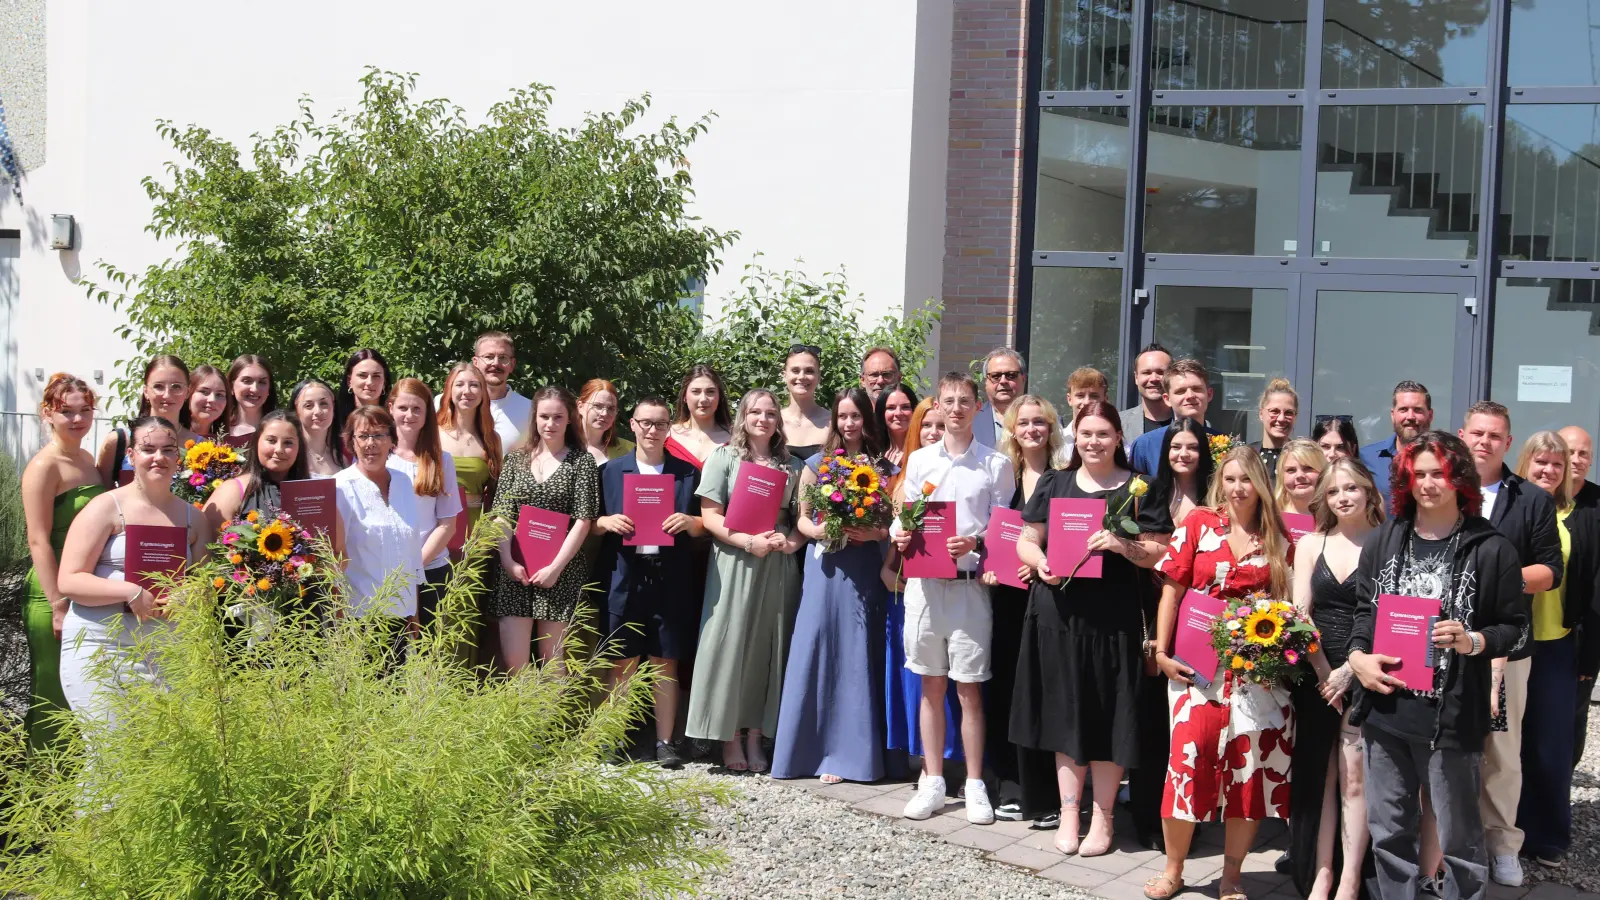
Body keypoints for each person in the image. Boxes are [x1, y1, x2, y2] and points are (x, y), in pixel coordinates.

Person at [1345, 431, 1526, 900]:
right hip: (1387, 711)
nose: (1427, 483)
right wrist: (1357, 657)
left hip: (1451, 718)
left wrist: (1474, 640)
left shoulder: (1491, 548)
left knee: (1460, 839)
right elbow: (1365, 610)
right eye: (1418, 474)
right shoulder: (1385, 539)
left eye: (1438, 473)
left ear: (1459, 478)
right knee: (1388, 833)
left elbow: (1516, 628)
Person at [1015, 400, 1169, 856]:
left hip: (1114, 621)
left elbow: (1159, 551)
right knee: (1065, 716)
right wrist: (1041, 563)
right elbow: (1027, 538)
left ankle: (1102, 819)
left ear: (1119, 437)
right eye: (1086, 434)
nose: (1094, 442)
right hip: (1059, 619)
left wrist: (1123, 546)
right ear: (1075, 437)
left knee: (1110, 717)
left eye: (1103, 434)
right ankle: (1068, 814)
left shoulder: (1143, 488)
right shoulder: (1055, 482)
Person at [1146, 445, 1294, 900]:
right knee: (1188, 760)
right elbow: (1172, 588)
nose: (1237, 488)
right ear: (1220, 482)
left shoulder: (1279, 535)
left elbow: (1290, 605)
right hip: (1197, 667)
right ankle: (1174, 870)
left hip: (1257, 674)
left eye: (1247, 479)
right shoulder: (1197, 525)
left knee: (1248, 772)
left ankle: (1233, 875)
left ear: (1261, 485)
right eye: (1230, 478)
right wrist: (1160, 651)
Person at [893, 372, 1015, 825]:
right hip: (925, 587)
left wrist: (976, 544)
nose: (958, 408)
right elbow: (904, 518)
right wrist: (900, 533)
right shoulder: (922, 460)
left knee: (970, 690)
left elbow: (1004, 530)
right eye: (949, 401)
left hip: (969, 589)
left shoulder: (996, 465)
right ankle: (932, 780)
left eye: (966, 400)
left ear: (978, 407)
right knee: (930, 684)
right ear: (938, 407)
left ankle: (975, 784)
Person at [1457, 402, 1562, 888]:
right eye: (1477, 433)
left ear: (1508, 443)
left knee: (1501, 748)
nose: (1484, 442)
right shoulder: (1439, 487)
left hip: (1506, 645)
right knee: (1440, 740)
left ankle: (1501, 844)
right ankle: (1440, 839)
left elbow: (1549, 571)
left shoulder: (1532, 500)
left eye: (1495, 436)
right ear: (1463, 434)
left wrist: (1496, 580)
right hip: (1441, 641)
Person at [773, 387, 891, 784]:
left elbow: (889, 524)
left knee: (859, 651)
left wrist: (873, 534)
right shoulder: (817, 464)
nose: (849, 423)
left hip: (863, 568)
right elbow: (801, 520)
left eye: (856, 416)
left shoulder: (880, 467)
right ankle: (812, 750)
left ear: (866, 420)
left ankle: (853, 755)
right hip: (825, 569)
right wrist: (821, 530)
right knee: (819, 648)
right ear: (834, 421)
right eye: (842, 416)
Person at [57, 416, 206, 729]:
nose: (158, 457)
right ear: (131, 455)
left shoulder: (194, 517)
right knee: (110, 754)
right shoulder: (105, 506)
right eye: (148, 449)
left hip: (166, 651)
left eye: (168, 450)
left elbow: (204, 585)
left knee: (159, 757)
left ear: (178, 458)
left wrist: (190, 595)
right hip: (101, 645)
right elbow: (69, 580)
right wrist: (130, 592)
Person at [685, 388, 805, 773]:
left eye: (771, 413)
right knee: (730, 644)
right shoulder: (724, 457)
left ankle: (756, 737)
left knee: (767, 649)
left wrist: (791, 542)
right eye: (755, 412)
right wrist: (747, 541)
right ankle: (728, 738)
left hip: (776, 565)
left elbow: (802, 519)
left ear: (778, 421)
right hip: (735, 560)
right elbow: (711, 515)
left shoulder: (793, 466)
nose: (763, 419)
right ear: (743, 416)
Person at [1287, 459, 1383, 900]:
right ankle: (1322, 871)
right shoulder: (1311, 543)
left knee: (1356, 776)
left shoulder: (1388, 543)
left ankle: (1349, 878)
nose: (1344, 497)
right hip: (1316, 675)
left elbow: (1391, 616)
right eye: (1334, 491)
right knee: (1319, 776)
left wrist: (1350, 672)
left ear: (1368, 491)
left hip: (1366, 673)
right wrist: (1326, 671)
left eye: (1352, 488)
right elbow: (1298, 616)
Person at [594, 396, 703, 769]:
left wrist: (691, 524)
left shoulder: (687, 473)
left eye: (659, 424)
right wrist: (605, 523)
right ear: (632, 425)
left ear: (669, 427)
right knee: (622, 661)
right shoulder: (611, 471)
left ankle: (665, 742)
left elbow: (706, 522)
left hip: (670, 577)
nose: (652, 430)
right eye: (645, 423)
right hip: (625, 575)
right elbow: (589, 521)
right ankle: (611, 740)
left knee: (664, 662)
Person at [1127, 416, 1214, 853]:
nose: (1183, 454)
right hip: (1155, 613)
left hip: (1203, 619)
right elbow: (1143, 554)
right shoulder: (1150, 493)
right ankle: (1146, 815)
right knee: (1153, 722)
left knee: (1195, 723)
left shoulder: (1219, 495)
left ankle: (1191, 819)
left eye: (1192, 447)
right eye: (1176, 447)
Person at [982, 393, 1067, 826]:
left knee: (1045, 690)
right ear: (1012, 430)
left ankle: (1048, 793)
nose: (1032, 429)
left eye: (1040, 422)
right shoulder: (1002, 477)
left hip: (1050, 595)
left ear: (1051, 429)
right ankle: (1010, 784)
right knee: (1005, 688)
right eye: (1024, 422)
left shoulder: (1065, 476)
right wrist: (989, 567)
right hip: (1006, 597)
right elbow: (986, 532)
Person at [1512, 431, 1593, 869]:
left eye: (1557, 465)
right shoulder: (1512, 505)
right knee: (1506, 743)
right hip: (1509, 642)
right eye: (1540, 462)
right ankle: (1507, 827)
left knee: (1550, 744)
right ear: (1525, 462)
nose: (1548, 471)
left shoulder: (1575, 515)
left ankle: (1547, 835)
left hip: (1556, 642)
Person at [880, 398, 966, 778]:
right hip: (908, 589)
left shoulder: (961, 472)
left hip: (955, 588)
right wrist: (891, 569)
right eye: (926, 425)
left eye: (940, 425)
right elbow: (894, 546)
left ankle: (952, 759)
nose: (933, 432)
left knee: (953, 682)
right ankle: (921, 760)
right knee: (919, 680)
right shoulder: (905, 479)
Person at [489, 386, 600, 674]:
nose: (550, 424)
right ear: (535, 418)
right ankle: (522, 719)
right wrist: (507, 561)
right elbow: (501, 514)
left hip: (560, 573)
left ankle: (550, 721)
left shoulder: (582, 462)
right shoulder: (515, 460)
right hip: (516, 570)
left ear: (569, 420)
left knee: (553, 660)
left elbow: (584, 520)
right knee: (515, 662)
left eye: (558, 417)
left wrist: (555, 568)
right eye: (544, 416)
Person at [21, 373, 104, 752]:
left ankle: (74, 794)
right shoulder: (44, 466)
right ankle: (41, 795)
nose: (77, 419)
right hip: (50, 592)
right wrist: (57, 604)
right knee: (51, 696)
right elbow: (38, 539)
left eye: (84, 410)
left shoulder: (87, 458)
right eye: (66, 411)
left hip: (81, 587)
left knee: (80, 693)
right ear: (47, 414)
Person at [334, 406, 422, 652]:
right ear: (352, 442)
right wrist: (339, 618)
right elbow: (334, 559)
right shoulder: (340, 486)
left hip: (401, 615)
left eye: (379, 435)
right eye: (363, 436)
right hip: (358, 616)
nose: (370, 443)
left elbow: (411, 551)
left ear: (392, 440)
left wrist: (413, 609)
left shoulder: (404, 482)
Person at [437, 361, 503, 667]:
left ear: (483, 393)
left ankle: (462, 682)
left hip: (474, 534)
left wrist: (485, 538)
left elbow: (496, 495)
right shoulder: (433, 433)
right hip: (437, 527)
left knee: (466, 611)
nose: (467, 391)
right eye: (460, 384)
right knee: (436, 607)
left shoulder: (491, 439)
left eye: (474, 385)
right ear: (449, 390)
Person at [389, 379, 462, 631]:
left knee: (427, 652)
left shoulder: (441, 460)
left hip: (430, 568)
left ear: (427, 414)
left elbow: (447, 523)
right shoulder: (378, 457)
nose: (409, 415)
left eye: (417, 409)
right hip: (386, 570)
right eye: (403, 408)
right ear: (390, 408)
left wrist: (415, 565)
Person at [202, 409, 311, 542]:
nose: (279, 450)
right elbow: (206, 547)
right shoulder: (233, 490)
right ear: (257, 442)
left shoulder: (313, 495)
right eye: (271, 440)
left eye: (288, 443)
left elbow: (336, 550)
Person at [1560, 425, 1600, 768]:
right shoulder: (1534, 498)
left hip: (1580, 635)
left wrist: (1591, 654)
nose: (1575, 459)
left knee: (1571, 717)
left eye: (1583, 453)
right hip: (1531, 633)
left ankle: (1560, 792)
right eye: (1568, 451)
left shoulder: (1598, 505)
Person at [98, 355, 189, 487]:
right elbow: (104, 493)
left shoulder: (199, 445)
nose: (167, 394)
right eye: (158, 386)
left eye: (176, 387)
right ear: (146, 391)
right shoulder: (120, 441)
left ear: (187, 392)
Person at [1128, 359, 1217, 477]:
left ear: (1209, 394)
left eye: (1196, 389)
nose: (1190, 396)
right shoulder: (1145, 446)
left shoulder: (1226, 444)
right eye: (1181, 391)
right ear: (1167, 399)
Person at [1358, 381, 1434, 497]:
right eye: (1403, 409)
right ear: (1393, 415)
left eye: (1417, 410)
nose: (1410, 417)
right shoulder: (1366, 458)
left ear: (1430, 415)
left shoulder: (1444, 458)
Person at [466, 331, 532, 451]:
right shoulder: (447, 404)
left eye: (503, 358)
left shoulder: (530, 410)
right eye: (489, 357)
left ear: (512, 365)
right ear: (475, 362)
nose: (496, 363)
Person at [666, 364, 732, 470]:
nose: (703, 399)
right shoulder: (666, 435)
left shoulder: (737, 438)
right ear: (684, 397)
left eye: (710, 392)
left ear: (719, 396)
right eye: (696, 392)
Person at [333, 349, 391, 454]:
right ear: (349, 381)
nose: (369, 382)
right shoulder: (333, 423)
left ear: (384, 382)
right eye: (362, 376)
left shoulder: (394, 422)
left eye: (376, 376)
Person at [780, 344, 830, 460]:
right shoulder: (772, 421)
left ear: (819, 377)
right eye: (795, 370)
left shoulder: (832, 423)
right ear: (784, 375)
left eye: (809, 371)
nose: (802, 376)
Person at [290, 379, 343, 478]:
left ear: (333, 407)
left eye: (324, 404)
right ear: (296, 411)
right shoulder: (289, 455)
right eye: (308, 405)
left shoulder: (343, 458)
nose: (318, 411)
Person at [976, 347, 1028, 447]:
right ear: (986, 381)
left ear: (1023, 379)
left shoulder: (1047, 420)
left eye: (1011, 375)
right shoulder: (970, 420)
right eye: (996, 376)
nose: (1003, 381)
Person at [1121, 343, 1173, 440]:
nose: (1153, 378)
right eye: (1146, 373)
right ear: (1136, 378)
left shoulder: (1194, 423)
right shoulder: (1118, 423)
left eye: (1161, 372)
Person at [577, 378, 634, 464]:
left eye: (611, 408)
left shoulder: (630, 450)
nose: (604, 413)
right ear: (580, 407)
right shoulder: (559, 446)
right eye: (597, 406)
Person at [1251, 379, 1299, 480]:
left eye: (1288, 412)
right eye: (1274, 411)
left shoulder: (1302, 458)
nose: (1281, 418)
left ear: (1296, 416)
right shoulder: (1248, 457)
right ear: (1261, 414)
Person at [223, 354, 276, 443]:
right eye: (247, 381)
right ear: (231, 387)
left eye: (262, 382)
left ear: (269, 389)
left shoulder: (280, 428)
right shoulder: (216, 430)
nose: (255, 389)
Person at [1275, 439, 1328, 517]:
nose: (1300, 475)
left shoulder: (1337, 519)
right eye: (1291, 470)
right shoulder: (1270, 518)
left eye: (1308, 468)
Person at [876, 383, 918, 474]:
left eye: (905, 407)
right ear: (882, 412)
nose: (898, 413)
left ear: (915, 410)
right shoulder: (873, 451)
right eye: (891, 408)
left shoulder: (923, 450)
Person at [181, 364, 228, 442]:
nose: (212, 399)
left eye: (219, 394)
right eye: (204, 392)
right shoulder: (171, 438)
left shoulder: (227, 444)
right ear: (188, 393)